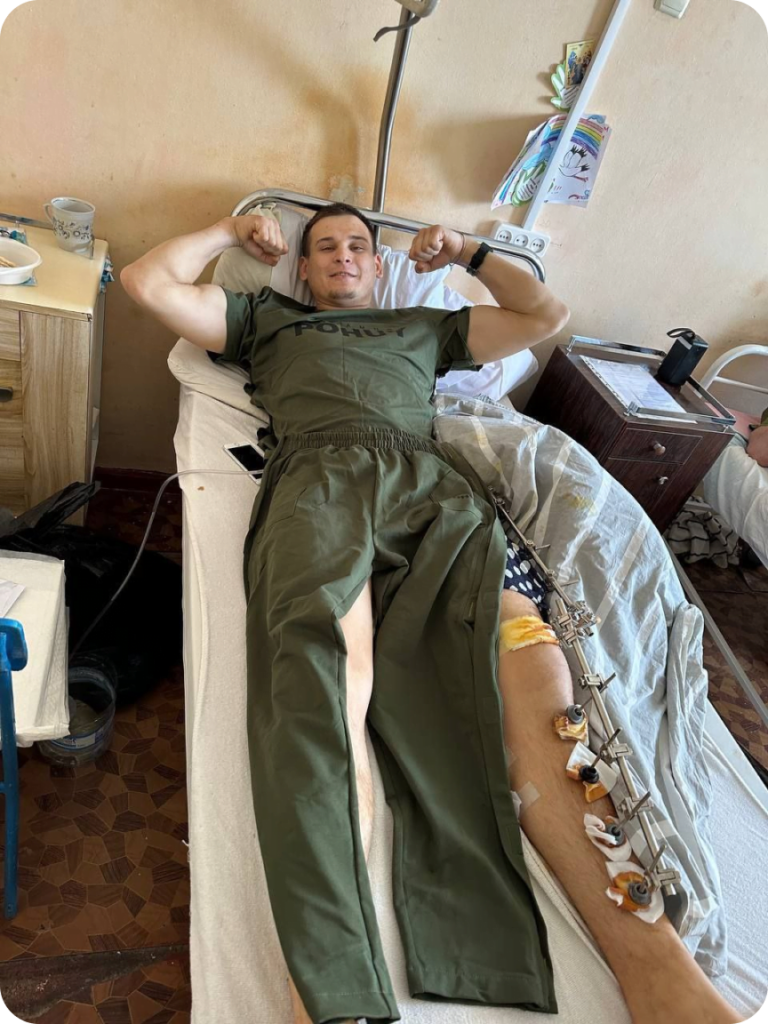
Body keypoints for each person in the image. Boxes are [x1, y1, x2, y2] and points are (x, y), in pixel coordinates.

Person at [122, 203, 742, 1024]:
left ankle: (655, 967)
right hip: (317, 490)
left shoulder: (424, 326)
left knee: (535, 671)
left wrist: (471, 253)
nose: (344, 255)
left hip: (435, 492)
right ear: (302, 268)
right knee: (318, 691)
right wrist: (231, 234)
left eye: (358, 245)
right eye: (325, 247)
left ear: (379, 266)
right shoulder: (265, 319)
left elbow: (544, 314)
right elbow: (147, 282)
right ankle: (333, 996)